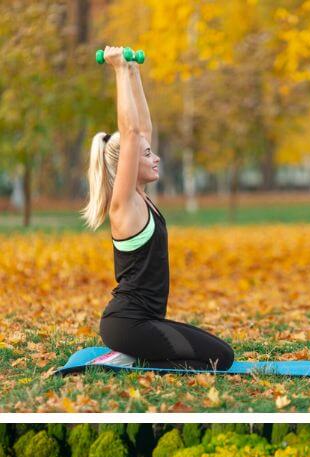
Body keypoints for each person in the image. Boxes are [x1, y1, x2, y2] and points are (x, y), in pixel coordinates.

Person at [82, 47, 233, 372]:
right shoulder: (124, 206)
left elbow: (143, 129)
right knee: (219, 360)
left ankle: (134, 354)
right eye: (147, 155)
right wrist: (119, 70)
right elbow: (133, 134)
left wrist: (134, 73)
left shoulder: (142, 197)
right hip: (128, 324)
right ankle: (130, 356)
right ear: (128, 164)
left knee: (222, 353)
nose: (156, 158)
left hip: (146, 321)